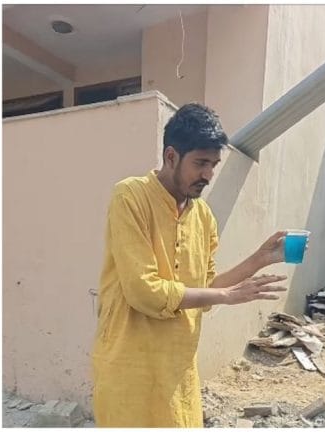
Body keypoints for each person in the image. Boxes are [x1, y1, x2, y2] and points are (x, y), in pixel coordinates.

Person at [92, 103, 293, 427]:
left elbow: (207, 290)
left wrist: (258, 260)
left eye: (213, 164)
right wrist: (226, 296)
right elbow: (144, 292)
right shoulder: (130, 197)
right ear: (171, 156)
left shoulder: (203, 218)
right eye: (200, 163)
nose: (208, 175)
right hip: (128, 368)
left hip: (178, 370)